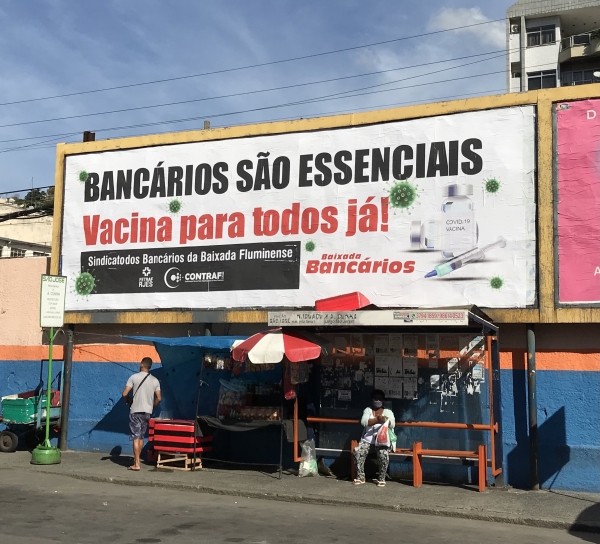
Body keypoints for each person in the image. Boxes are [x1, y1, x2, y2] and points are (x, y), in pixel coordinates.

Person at [122, 357, 161, 471]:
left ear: (141, 365)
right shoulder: (155, 380)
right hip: (147, 412)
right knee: (141, 436)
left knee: (135, 437)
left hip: (135, 411)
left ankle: (137, 463)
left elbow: (124, 393)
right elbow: (159, 398)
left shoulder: (134, 377)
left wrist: (128, 400)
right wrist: (152, 407)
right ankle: (137, 461)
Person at [353, 389, 395, 487]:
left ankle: (381, 478)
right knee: (357, 452)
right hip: (368, 441)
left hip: (382, 441)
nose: (377, 401)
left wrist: (385, 420)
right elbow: (364, 422)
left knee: (383, 454)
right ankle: (361, 476)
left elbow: (392, 424)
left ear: (383, 400)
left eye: (380, 399)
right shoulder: (367, 410)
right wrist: (377, 419)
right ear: (372, 399)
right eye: (375, 398)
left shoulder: (388, 412)